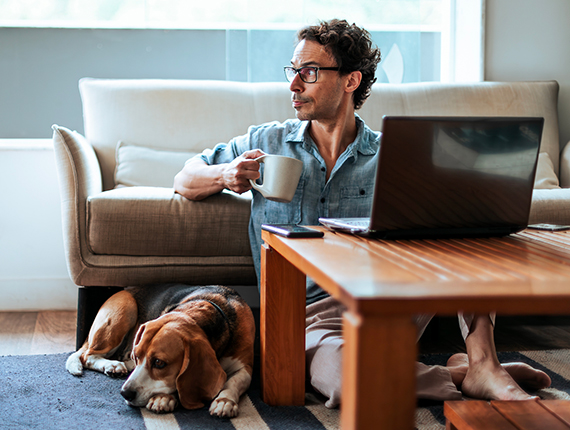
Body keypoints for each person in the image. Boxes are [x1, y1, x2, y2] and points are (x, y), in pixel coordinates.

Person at [174, 19, 551, 408]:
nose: (294, 85)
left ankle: (484, 362)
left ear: (351, 81)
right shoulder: (265, 141)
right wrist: (225, 174)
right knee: (353, 380)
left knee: (469, 230)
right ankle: (461, 374)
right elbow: (185, 177)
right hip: (303, 318)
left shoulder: (395, 154)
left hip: (384, 299)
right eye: (293, 71)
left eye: (309, 72)